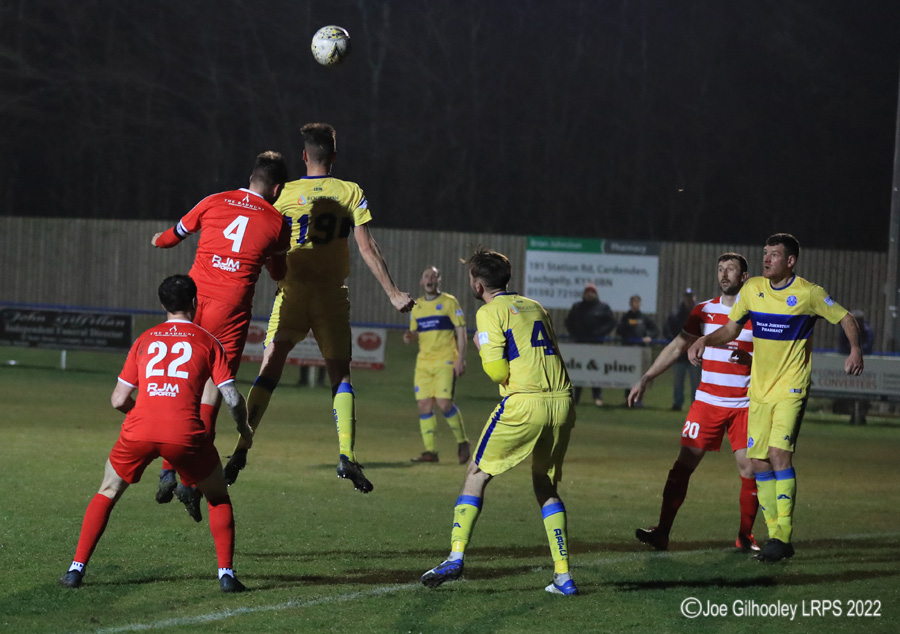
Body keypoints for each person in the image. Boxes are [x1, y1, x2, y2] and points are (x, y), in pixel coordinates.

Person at [223, 122, 415, 492]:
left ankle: (241, 447)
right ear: (335, 157)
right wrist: (392, 292)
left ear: (304, 156)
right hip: (330, 294)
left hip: (291, 292)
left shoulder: (283, 193)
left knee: (269, 370)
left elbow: (256, 236)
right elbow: (366, 247)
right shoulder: (349, 191)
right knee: (340, 376)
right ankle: (346, 456)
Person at [58, 275, 255, 592]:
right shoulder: (208, 342)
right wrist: (244, 430)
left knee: (108, 490)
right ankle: (226, 575)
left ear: (162, 304)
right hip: (186, 435)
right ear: (195, 302)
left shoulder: (145, 339)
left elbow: (118, 400)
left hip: (139, 431)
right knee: (217, 497)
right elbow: (230, 397)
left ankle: (75, 570)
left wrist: (143, 414)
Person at [688, 233, 864, 563]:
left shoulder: (809, 294)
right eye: (765, 253)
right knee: (757, 463)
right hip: (758, 391)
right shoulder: (752, 289)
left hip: (791, 389)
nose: (767, 259)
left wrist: (855, 349)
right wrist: (704, 341)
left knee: (778, 453)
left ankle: (783, 534)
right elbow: (730, 329)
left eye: (774, 255)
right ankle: (774, 537)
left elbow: (845, 317)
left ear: (791, 261)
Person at [421, 249, 578, 596]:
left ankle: (456, 558)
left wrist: (480, 344)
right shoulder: (536, 306)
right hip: (563, 402)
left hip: (525, 403)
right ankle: (563, 577)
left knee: (476, 474)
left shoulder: (489, 312)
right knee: (545, 484)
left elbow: (496, 371)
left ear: (478, 285)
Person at [149, 151, 290, 520]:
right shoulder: (277, 221)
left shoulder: (213, 201)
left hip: (194, 304)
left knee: (182, 386)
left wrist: (156, 241)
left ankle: (167, 470)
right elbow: (278, 272)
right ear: (276, 188)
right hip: (231, 310)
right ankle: (190, 481)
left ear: (251, 177)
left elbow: (171, 237)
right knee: (213, 391)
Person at [629, 254, 759, 552]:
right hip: (707, 403)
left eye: (731, 270)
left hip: (745, 406)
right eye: (720, 269)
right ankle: (662, 531)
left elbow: (772, 356)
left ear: (744, 276)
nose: (724, 274)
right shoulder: (703, 312)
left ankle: (745, 536)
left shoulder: (757, 314)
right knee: (683, 466)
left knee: (749, 470)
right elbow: (677, 346)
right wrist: (647, 377)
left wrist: (752, 359)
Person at [403, 266, 471, 463]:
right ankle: (430, 452)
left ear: (439, 281)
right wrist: (410, 337)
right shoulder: (416, 307)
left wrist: (461, 359)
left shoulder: (449, 302)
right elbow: (416, 332)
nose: (430, 279)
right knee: (424, 405)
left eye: (434, 276)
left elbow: (461, 332)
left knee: (443, 403)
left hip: (445, 359)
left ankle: (462, 442)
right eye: (427, 276)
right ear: (421, 282)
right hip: (424, 362)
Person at [565, 283, 616, 406]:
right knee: (579, 371)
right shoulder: (577, 307)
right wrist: (574, 333)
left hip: (595, 344)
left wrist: (601, 332)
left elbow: (611, 322)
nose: (589, 295)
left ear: (595, 294)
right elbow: (568, 321)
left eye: (591, 292)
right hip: (580, 343)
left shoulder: (603, 308)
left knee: (595, 370)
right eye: (587, 292)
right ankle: (576, 397)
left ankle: (597, 396)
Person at [664, 288, 701, 411]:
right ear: (684, 298)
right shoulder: (676, 314)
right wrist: (674, 343)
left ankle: (695, 405)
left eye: (691, 297)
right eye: (687, 297)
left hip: (695, 353)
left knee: (696, 383)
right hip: (679, 353)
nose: (689, 300)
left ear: (694, 298)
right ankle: (677, 403)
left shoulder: (700, 313)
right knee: (678, 382)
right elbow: (667, 329)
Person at [617, 294, 659, 403]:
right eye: (633, 302)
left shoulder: (644, 318)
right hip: (628, 349)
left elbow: (655, 330)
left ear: (640, 303)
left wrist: (649, 337)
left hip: (640, 350)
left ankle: (638, 399)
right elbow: (619, 330)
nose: (635, 305)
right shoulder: (626, 317)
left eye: (637, 302)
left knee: (639, 376)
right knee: (628, 375)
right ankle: (628, 398)